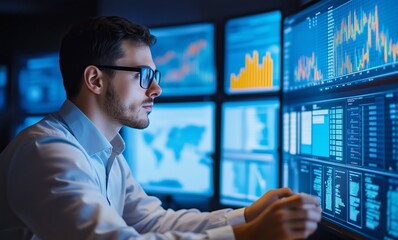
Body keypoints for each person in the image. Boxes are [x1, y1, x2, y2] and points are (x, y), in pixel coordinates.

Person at [0, 16, 322, 240]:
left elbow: (152, 222)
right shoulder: (46, 153)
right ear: (95, 80)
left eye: (155, 76)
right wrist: (248, 235)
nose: (156, 90)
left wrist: (248, 215)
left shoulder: (104, 153)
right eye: (143, 75)